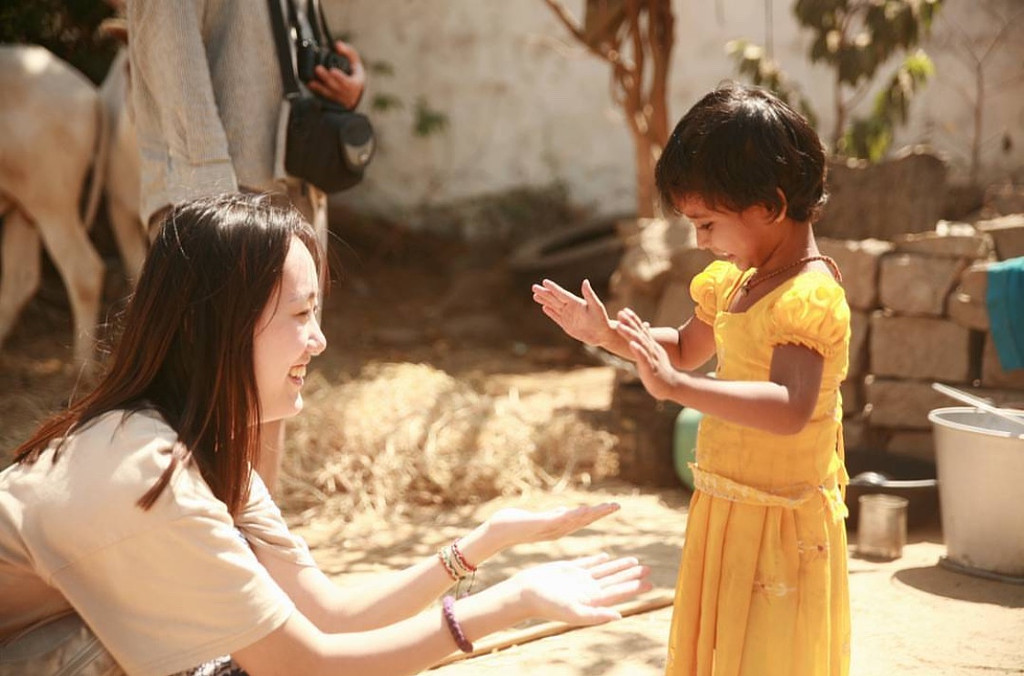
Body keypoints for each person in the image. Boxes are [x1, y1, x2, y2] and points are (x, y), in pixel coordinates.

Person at [0, 193, 652, 676]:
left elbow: (330, 614)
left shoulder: (196, 445)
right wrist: (509, 602)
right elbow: (303, 665)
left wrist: (480, 546)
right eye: (302, 314)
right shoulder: (145, 470)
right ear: (218, 327)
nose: (320, 340)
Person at [533, 82, 851, 676]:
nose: (700, 242)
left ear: (769, 206)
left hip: (781, 521)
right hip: (728, 504)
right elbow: (683, 348)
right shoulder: (739, 281)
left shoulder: (810, 296)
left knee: (766, 655)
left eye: (705, 224)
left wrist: (678, 391)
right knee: (722, 651)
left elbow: (789, 406)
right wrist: (609, 336)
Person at [126, 0, 368, 494]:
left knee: (272, 398)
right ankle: (209, 554)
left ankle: (257, 555)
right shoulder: (220, 226)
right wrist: (220, 221)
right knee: (204, 402)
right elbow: (177, 76)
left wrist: (346, 90)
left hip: (287, 201)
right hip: (220, 215)